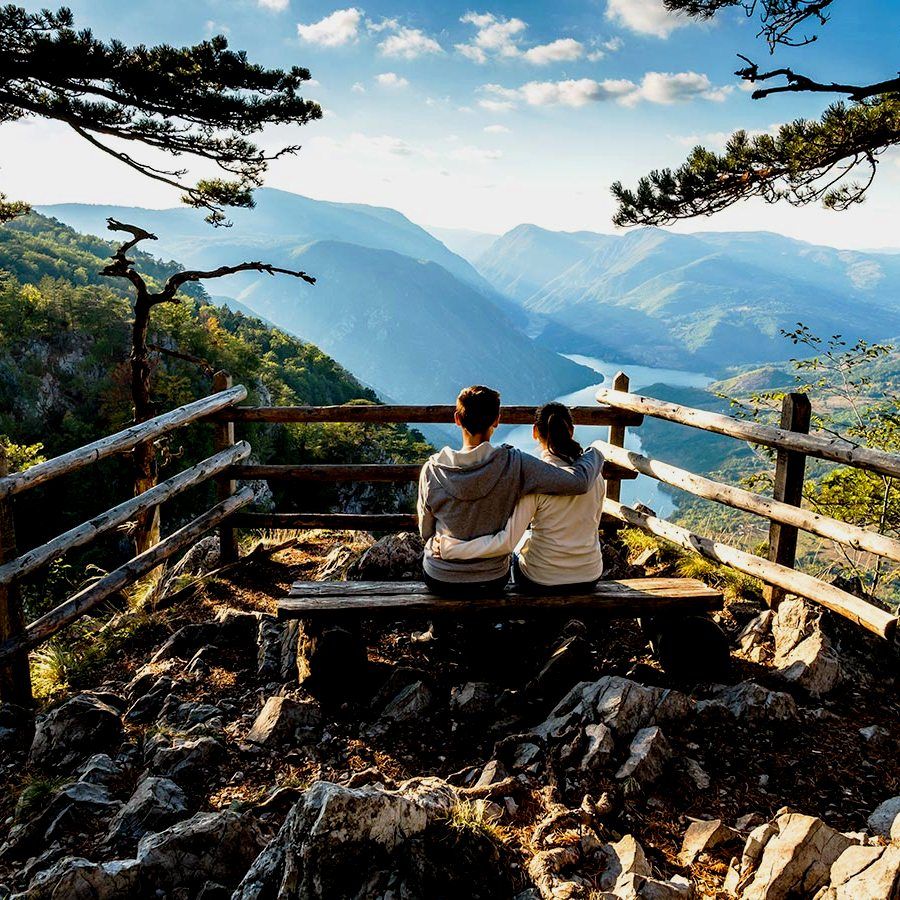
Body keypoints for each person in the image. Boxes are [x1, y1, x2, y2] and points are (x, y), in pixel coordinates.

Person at [418, 386, 603, 594]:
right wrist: (595, 453)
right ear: (497, 420)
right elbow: (576, 482)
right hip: (491, 577)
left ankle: (440, 626)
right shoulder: (515, 463)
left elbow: (426, 532)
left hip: (441, 576)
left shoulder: (431, 470)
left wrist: (449, 548)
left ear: (457, 419)